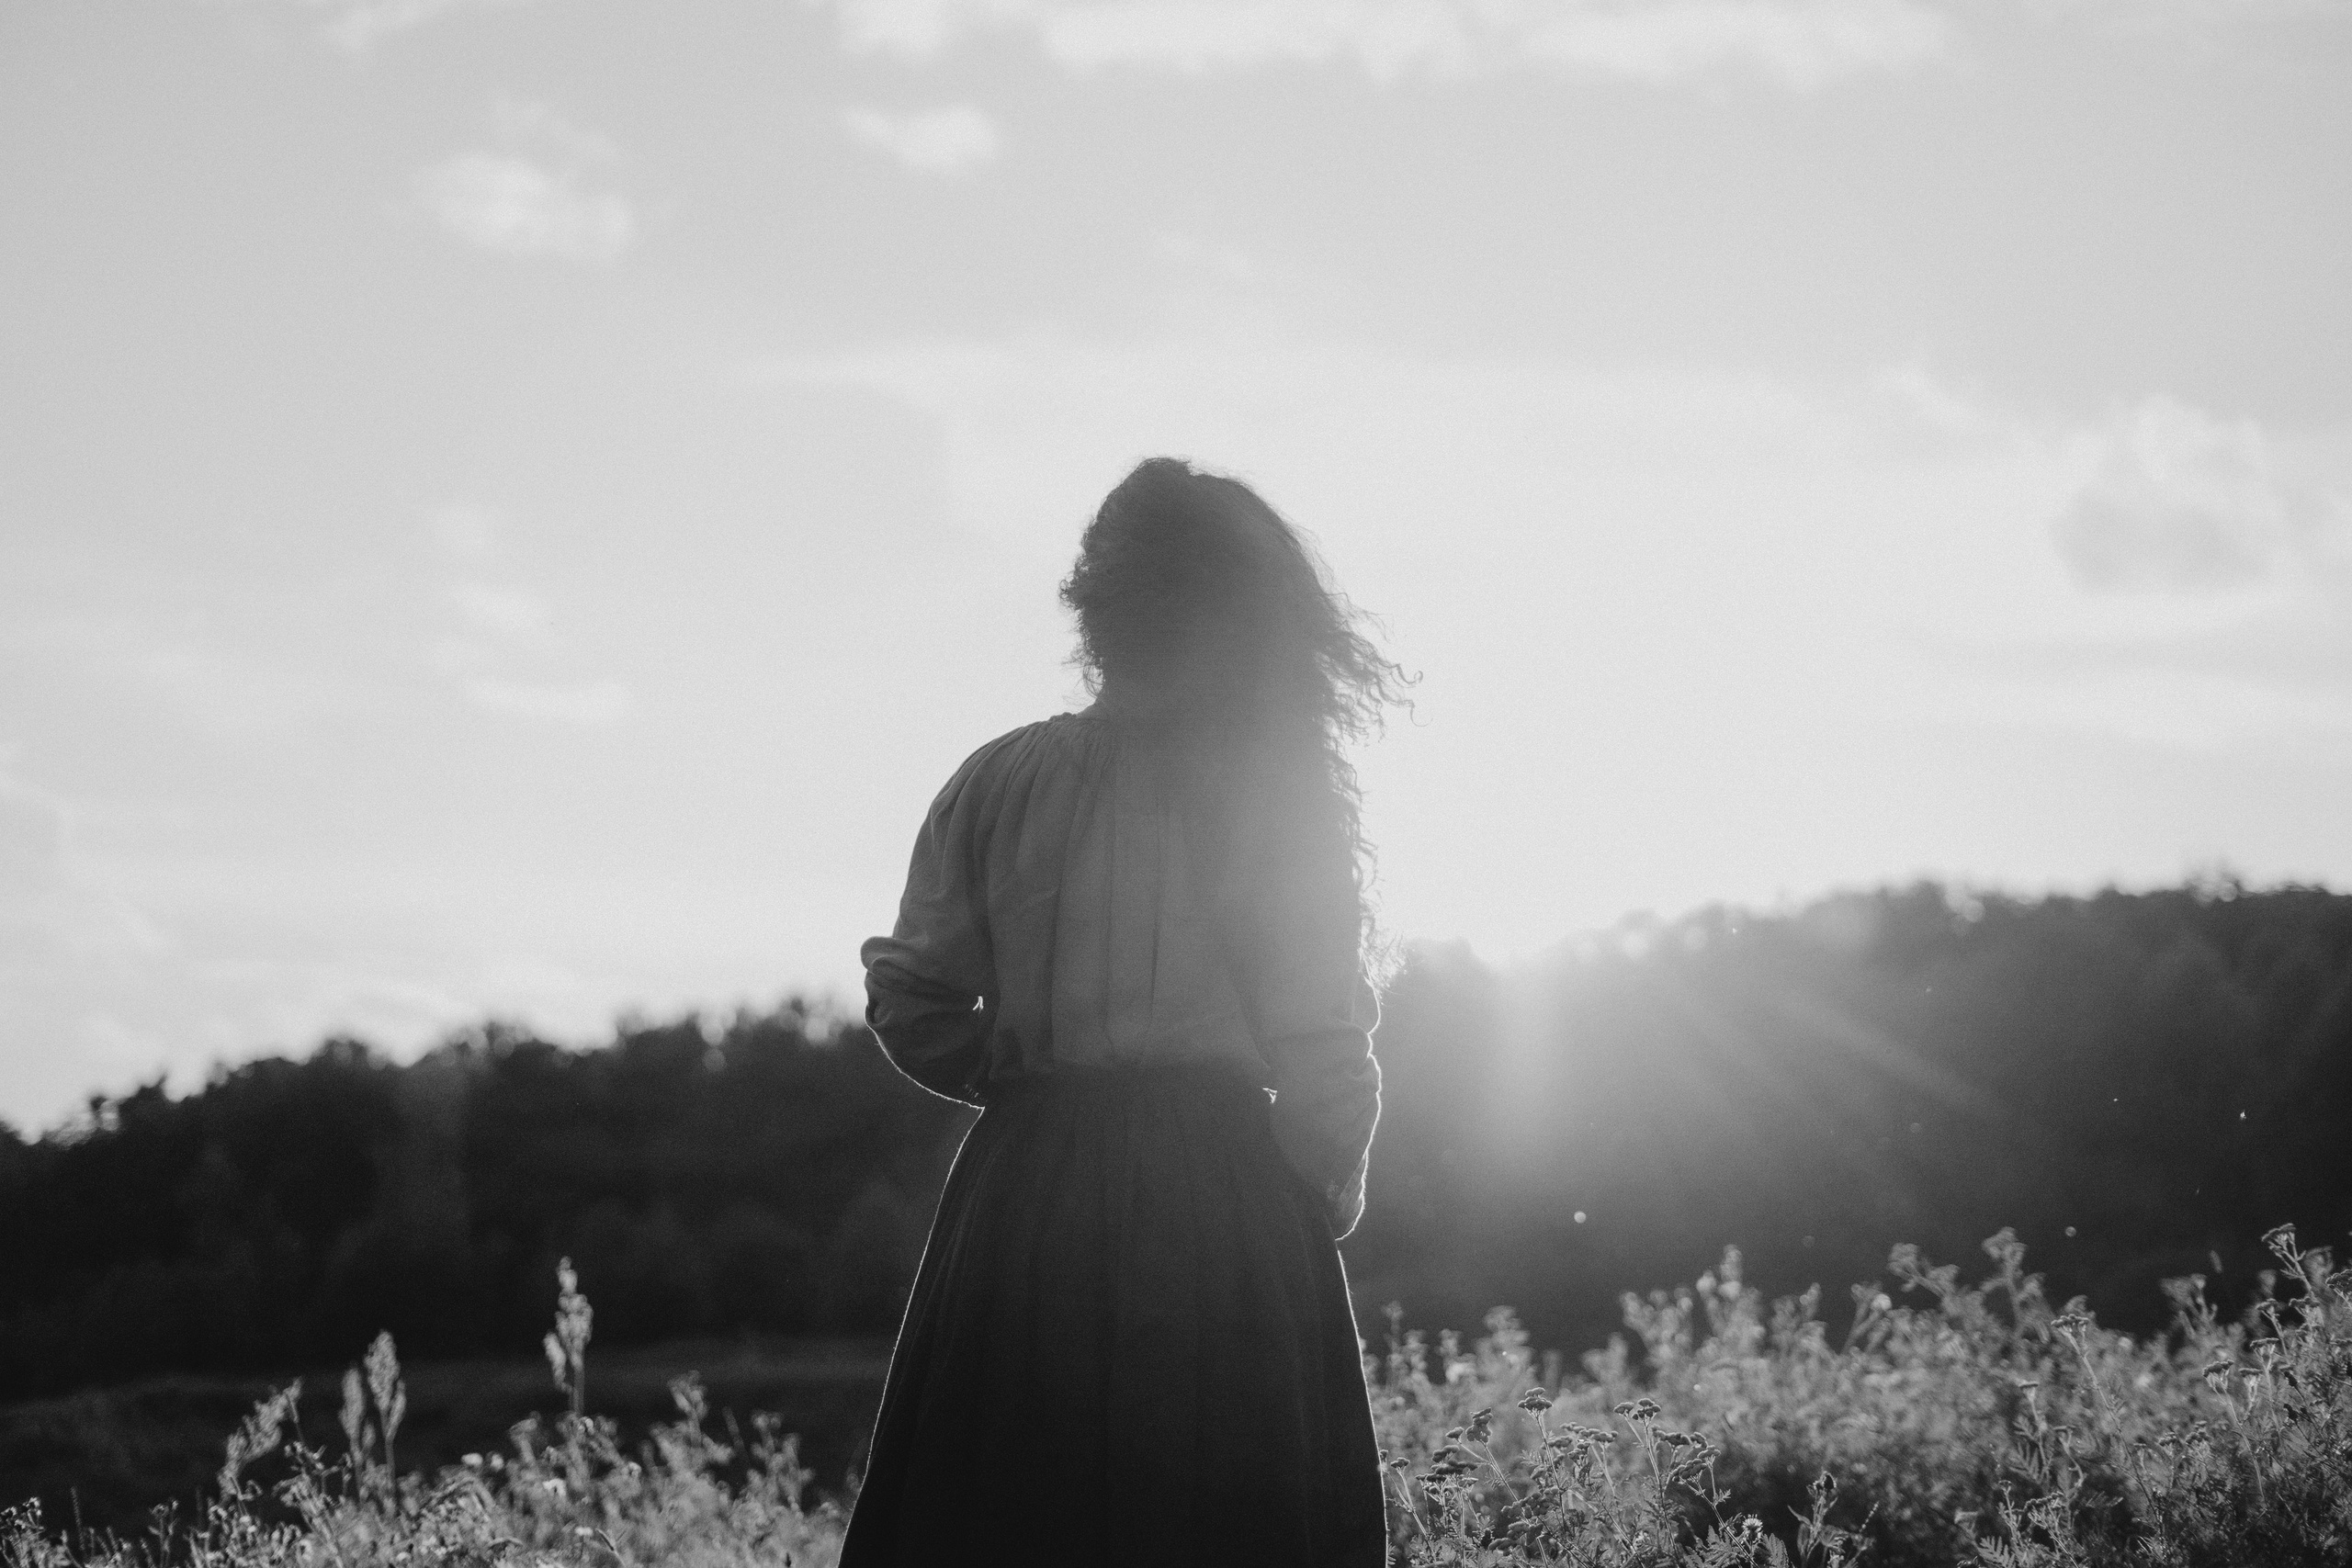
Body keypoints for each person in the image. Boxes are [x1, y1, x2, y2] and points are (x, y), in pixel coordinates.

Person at [839, 457, 1411, 1566]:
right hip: (1225, 1200)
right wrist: (1301, 1211)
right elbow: (1327, 1058)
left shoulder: (998, 779)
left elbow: (910, 998)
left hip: (1027, 1195)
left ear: (1098, 611)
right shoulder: (1273, 795)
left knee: (1008, 1517)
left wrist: (1021, 1083)